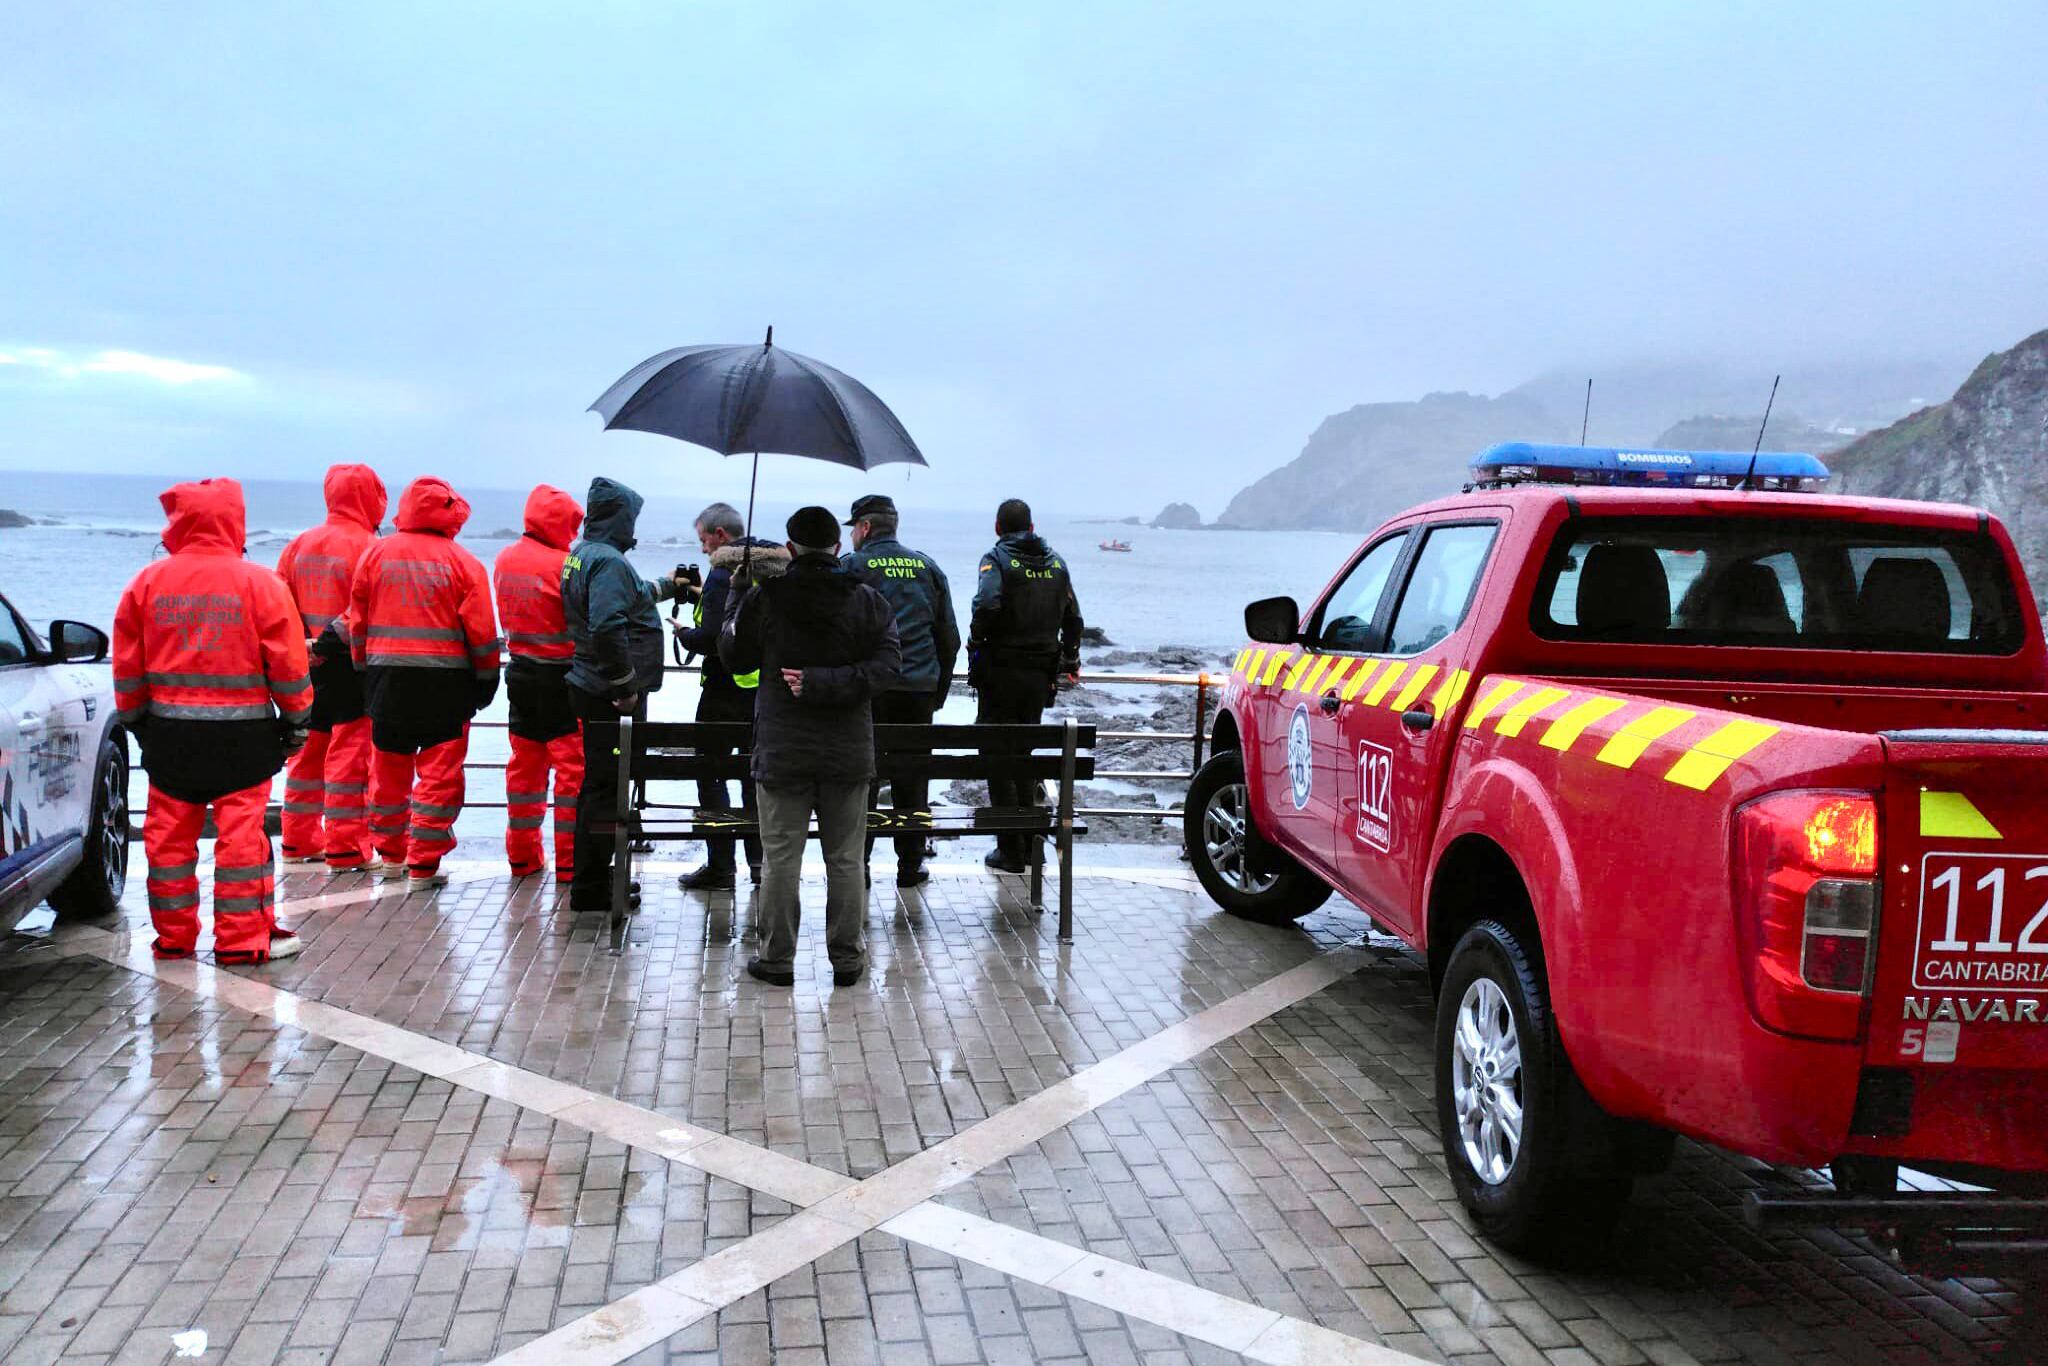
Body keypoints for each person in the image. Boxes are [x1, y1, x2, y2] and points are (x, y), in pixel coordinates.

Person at [113, 478, 313, 963]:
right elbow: (288, 666)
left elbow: (128, 666)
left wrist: (139, 720)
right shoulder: (262, 584)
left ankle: (175, 937)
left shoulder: (146, 583)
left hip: (170, 737)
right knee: (242, 841)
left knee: (168, 841)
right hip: (244, 738)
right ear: (234, 521)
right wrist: (297, 722)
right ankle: (242, 941)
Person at [720, 506, 899, 987]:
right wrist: (834, 681)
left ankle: (777, 959)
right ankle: (847, 959)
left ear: (791, 548)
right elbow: (888, 668)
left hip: (782, 750)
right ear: (838, 548)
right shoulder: (867, 602)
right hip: (847, 753)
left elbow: (733, 654)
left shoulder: (767, 599)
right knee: (845, 859)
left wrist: (737, 594)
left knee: (781, 858)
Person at [348, 476, 500, 888]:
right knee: (439, 776)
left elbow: (357, 623)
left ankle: (391, 856)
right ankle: (423, 865)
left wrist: (364, 670)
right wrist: (487, 681)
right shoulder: (464, 563)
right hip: (445, 686)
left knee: (388, 774)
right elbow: (482, 634)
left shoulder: (375, 556)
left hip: (386, 681)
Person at [561, 478, 687, 916]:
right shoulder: (609, 562)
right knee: (606, 790)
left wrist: (668, 586)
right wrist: (626, 686)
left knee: (600, 786)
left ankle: (595, 879)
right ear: (619, 518)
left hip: (589, 685)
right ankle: (592, 888)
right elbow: (607, 626)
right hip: (609, 695)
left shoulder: (584, 556)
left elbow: (626, 600)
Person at [841, 493, 959, 887]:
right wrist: (936, 689)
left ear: (865, 527)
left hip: (869, 688)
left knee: (864, 776)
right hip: (918, 689)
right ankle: (910, 863)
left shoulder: (853, 566)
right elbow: (949, 637)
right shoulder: (927, 566)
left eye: (854, 528)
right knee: (914, 776)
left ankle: (860, 863)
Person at [669, 501, 787, 890]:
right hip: (763, 697)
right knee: (755, 781)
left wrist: (682, 633)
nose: (704, 549)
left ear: (721, 535)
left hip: (723, 693)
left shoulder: (724, 573)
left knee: (711, 775)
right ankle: (758, 865)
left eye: (704, 540)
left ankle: (721, 866)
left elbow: (716, 638)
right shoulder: (772, 570)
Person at [275, 463, 386, 869]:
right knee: (349, 757)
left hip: (306, 662)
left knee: (306, 753)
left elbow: (279, 604)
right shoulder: (370, 547)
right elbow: (368, 607)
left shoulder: (299, 544)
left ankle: (297, 841)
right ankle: (346, 845)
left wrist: (303, 644)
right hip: (352, 664)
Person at [969, 497, 1083, 873]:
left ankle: (1011, 849)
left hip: (1000, 673)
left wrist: (978, 643)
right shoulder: (1056, 563)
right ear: (1032, 528)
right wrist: (1071, 658)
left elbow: (986, 603)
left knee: (997, 757)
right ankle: (1031, 844)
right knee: (1025, 754)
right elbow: (1074, 618)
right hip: (1039, 678)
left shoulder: (997, 559)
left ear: (998, 528)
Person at [494, 485, 585, 879]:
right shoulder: (566, 564)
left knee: (524, 771)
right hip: (562, 679)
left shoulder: (504, 559)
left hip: (520, 675)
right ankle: (569, 861)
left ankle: (522, 857)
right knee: (572, 773)